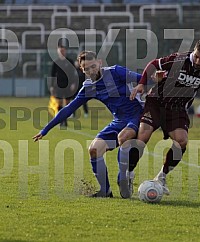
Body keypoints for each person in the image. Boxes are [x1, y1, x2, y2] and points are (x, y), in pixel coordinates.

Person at [34, 50, 144, 198]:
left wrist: (142, 86)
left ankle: (123, 177)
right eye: (86, 69)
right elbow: (68, 109)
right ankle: (105, 191)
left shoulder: (115, 71)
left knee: (123, 137)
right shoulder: (88, 87)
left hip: (136, 116)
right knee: (94, 149)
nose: (91, 71)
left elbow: (143, 79)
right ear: (82, 70)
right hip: (118, 120)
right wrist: (46, 129)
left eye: (93, 66)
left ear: (99, 62)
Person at [129, 39, 200, 195]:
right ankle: (129, 172)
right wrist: (142, 83)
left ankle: (162, 176)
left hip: (178, 109)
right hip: (156, 102)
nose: (197, 60)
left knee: (182, 140)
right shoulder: (178, 59)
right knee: (143, 135)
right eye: (196, 56)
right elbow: (154, 64)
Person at [50, 39, 77, 127]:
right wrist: (51, 86)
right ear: (58, 51)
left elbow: (73, 74)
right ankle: (60, 121)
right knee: (59, 103)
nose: (62, 52)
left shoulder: (70, 61)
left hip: (68, 85)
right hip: (58, 85)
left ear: (65, 51)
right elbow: (52, 75)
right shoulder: (56, 62)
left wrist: (73, 84)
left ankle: (65, 120)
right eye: (60, 50)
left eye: (63, 50)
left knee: (67, 104)